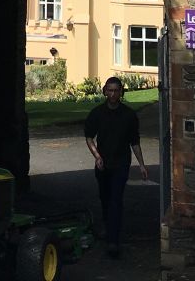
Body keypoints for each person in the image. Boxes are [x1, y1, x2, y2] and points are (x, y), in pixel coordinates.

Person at [83, 76, 148, 258]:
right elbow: (89, 137)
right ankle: (108, 224)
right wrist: (97, 156)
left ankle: (113, 240)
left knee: (115, 200)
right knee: (105, 198)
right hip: (103, 164)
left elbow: (134, 142)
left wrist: (142, 165)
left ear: (121, 92)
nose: (112, 94)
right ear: (105, 91)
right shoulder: (97, 113)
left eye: (116, 90)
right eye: (109, 90)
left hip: (121, 163)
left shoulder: (129, 115)